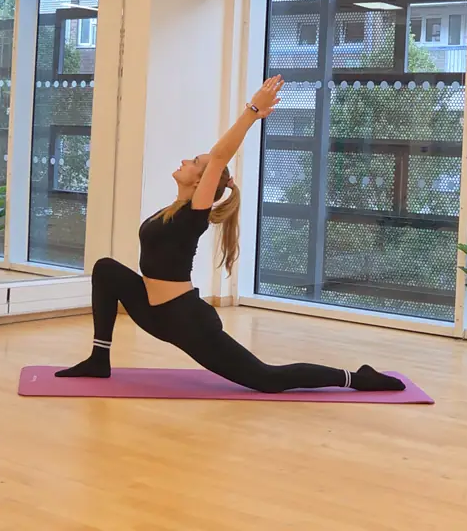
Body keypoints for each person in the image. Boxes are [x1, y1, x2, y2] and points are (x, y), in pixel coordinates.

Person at [57, 76, 405, 393]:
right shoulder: (173, 210)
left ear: (201, 181)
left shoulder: (195, 215)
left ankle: (357, 377)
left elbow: (221, 154)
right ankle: (99, 359)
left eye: (194, 162)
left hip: (184, 320)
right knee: (105, 268)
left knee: (266, 379)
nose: (184, 161)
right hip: (152, 311)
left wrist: (252, 111)